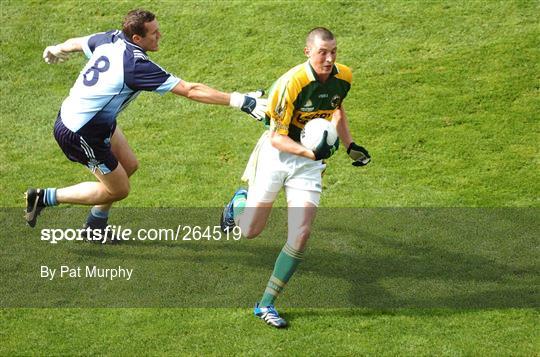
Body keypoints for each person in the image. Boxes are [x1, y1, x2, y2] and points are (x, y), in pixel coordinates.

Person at [25, 9, 266, 235]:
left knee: (128, 165)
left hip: (90, 118)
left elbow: (78, 43)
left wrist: (58, 48)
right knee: (119, 189)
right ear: (137, 38)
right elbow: (190, 90)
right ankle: (44, 197)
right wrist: (241, 101)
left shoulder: (112, 37)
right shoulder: (135, 66)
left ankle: (95, 226)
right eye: (154, 33)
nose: (160, 35)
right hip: (81, 132)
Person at [220, 27, 371, 328]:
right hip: (278, 155)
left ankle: (265, 304)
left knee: (301, 234)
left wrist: (350, 144)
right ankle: (238, 202)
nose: (329, 59)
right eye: (322, 53)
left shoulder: (345, 77)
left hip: (308, 163)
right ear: (308, 52)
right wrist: (312, 153)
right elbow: (276, 138)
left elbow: (337, 110)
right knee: (250, 231)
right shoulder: (291, 83)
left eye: (333, 52)